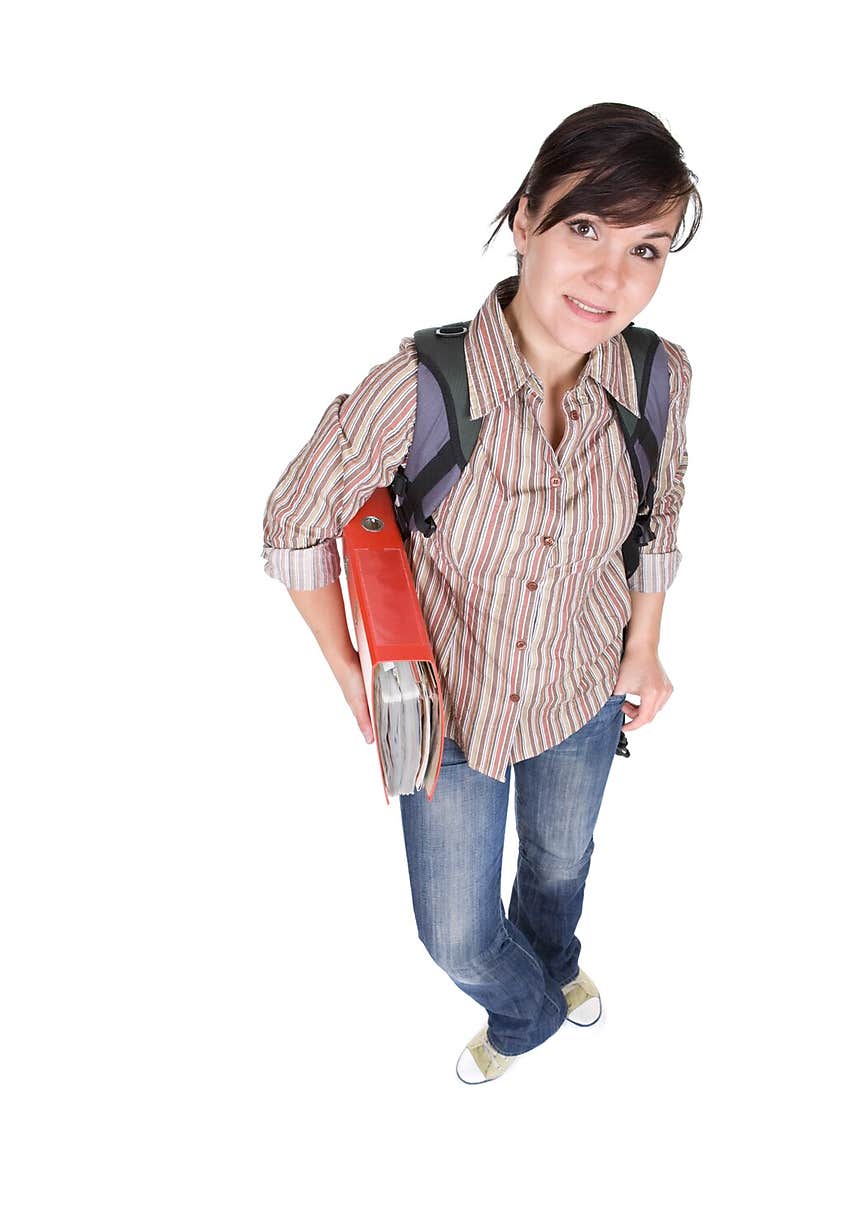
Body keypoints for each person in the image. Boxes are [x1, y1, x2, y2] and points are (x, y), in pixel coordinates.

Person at [262, 102, 701, 1085]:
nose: (608, 276)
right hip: (449, 716)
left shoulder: (658, 378)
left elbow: (661, 512)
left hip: (582, 689)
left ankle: (556, 963)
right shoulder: (419, 387)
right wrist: (352, 674)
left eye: (646, 246)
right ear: (524, 220)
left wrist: (643, 644)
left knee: (558, 863)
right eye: (582, 228)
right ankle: (530, 1011)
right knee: (456, 935)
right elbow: (293, 526)